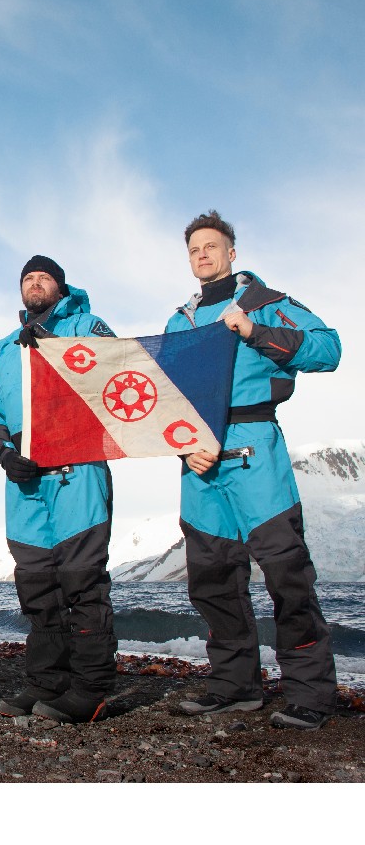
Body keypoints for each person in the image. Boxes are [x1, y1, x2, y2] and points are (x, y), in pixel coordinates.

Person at [167, 210, 340, 730]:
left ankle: (311, 693)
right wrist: (183, 449)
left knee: (287, 574)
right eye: (195, 247)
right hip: (199, 458)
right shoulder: (179, 322)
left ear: (231, 252)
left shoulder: (267, 303)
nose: (203, 254)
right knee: (212, 579)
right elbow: (166, 401)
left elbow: (329, 349)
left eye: (212, 245)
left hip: (254, 446)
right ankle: (234, 686)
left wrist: (255, 329)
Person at [0, 256, 117, 724]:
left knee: (82, 580)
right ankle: (46, 683)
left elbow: (112, 370)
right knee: (37, 587)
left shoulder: (87, 324)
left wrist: (55, 344)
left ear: (60, 287)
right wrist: (2, 451)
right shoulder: (2, 348)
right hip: (24, 477)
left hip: (76, 468)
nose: (35, 284)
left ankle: (91, 687)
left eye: (44, 278)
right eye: (27, 279)